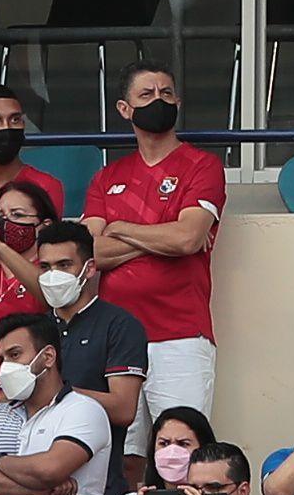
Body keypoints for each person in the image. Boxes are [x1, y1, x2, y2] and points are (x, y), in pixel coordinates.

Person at [85, 65, 226, 456]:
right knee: (123, 457)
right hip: (116, 342)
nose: (159, 101)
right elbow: (90, 253)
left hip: (181, 335)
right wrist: (158, 234)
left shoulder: (203, 166)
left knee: (181, 455)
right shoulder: (106, 177)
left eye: (166, 93)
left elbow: (187, 237)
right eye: (146, 95)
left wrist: (121, 228)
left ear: (178, 102)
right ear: (124, 109)